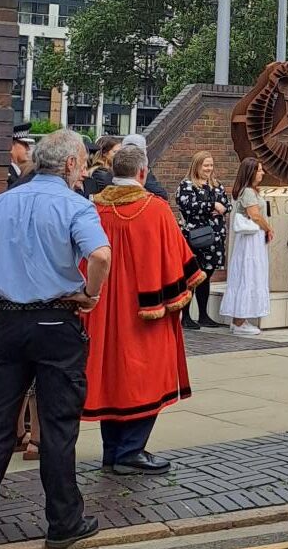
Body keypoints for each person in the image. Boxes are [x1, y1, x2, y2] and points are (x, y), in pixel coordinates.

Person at [0, 128, 110, 549]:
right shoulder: (74, 205)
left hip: (7, 322)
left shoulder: (0, 203)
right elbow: (100, 255)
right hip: (55, 322)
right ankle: (63, 522)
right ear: (68, 165)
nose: (83, 172)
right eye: (82, 163)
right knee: (57, 426)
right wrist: (91, 294)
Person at [83, 140, 197, 474]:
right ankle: (131, 451)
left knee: (111, 377)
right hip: (145, 309)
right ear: (143, 173)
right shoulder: (155, 208)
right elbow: (178, 260)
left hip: (103, 307)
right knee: (145, 376)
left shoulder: (94, 208)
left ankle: (113, 450)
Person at [176, 150, 228, 329]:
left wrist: (218, 207)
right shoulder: (187, 185)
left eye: (211, 165)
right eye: (205, 165)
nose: (209, 169)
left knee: (207, 276)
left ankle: (204, 314)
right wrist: (212, 205)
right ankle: (186, 316)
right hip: (196, 239)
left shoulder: (216, 185)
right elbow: (188, 206)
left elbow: (226, 205)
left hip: (214, 239)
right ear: (197, 165)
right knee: (192, 276)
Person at [222, 156, 273, 336]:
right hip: (251, 240)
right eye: (259, 170)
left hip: (252, 239)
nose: (262, 173)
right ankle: (239, 321)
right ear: (251, 172)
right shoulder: (249, 193)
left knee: (248, 275)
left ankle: (241, 319)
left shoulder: (248, 191)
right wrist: (268, 228)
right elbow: (255, 215)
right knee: (248, 274)